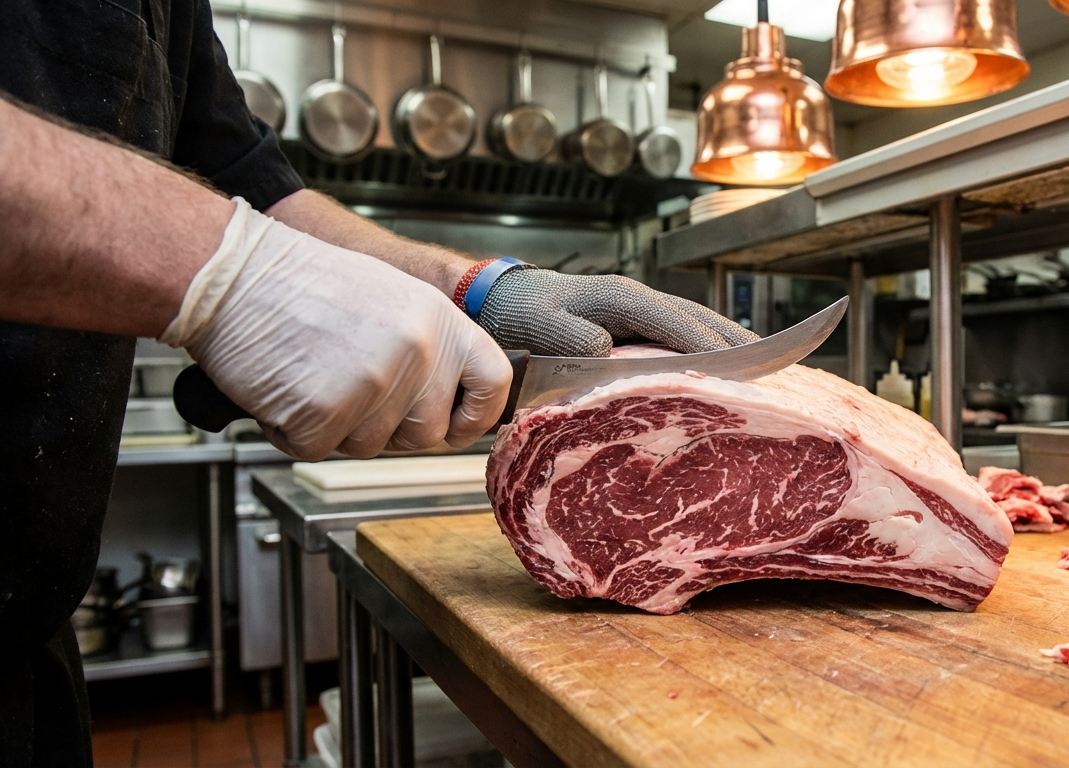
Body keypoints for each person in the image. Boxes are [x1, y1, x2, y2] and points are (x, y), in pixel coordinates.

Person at [0, 2, 754, 762]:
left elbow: (251, 186)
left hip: (33, 645)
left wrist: (475, 289)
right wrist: (228, 274)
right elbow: (235, 237)